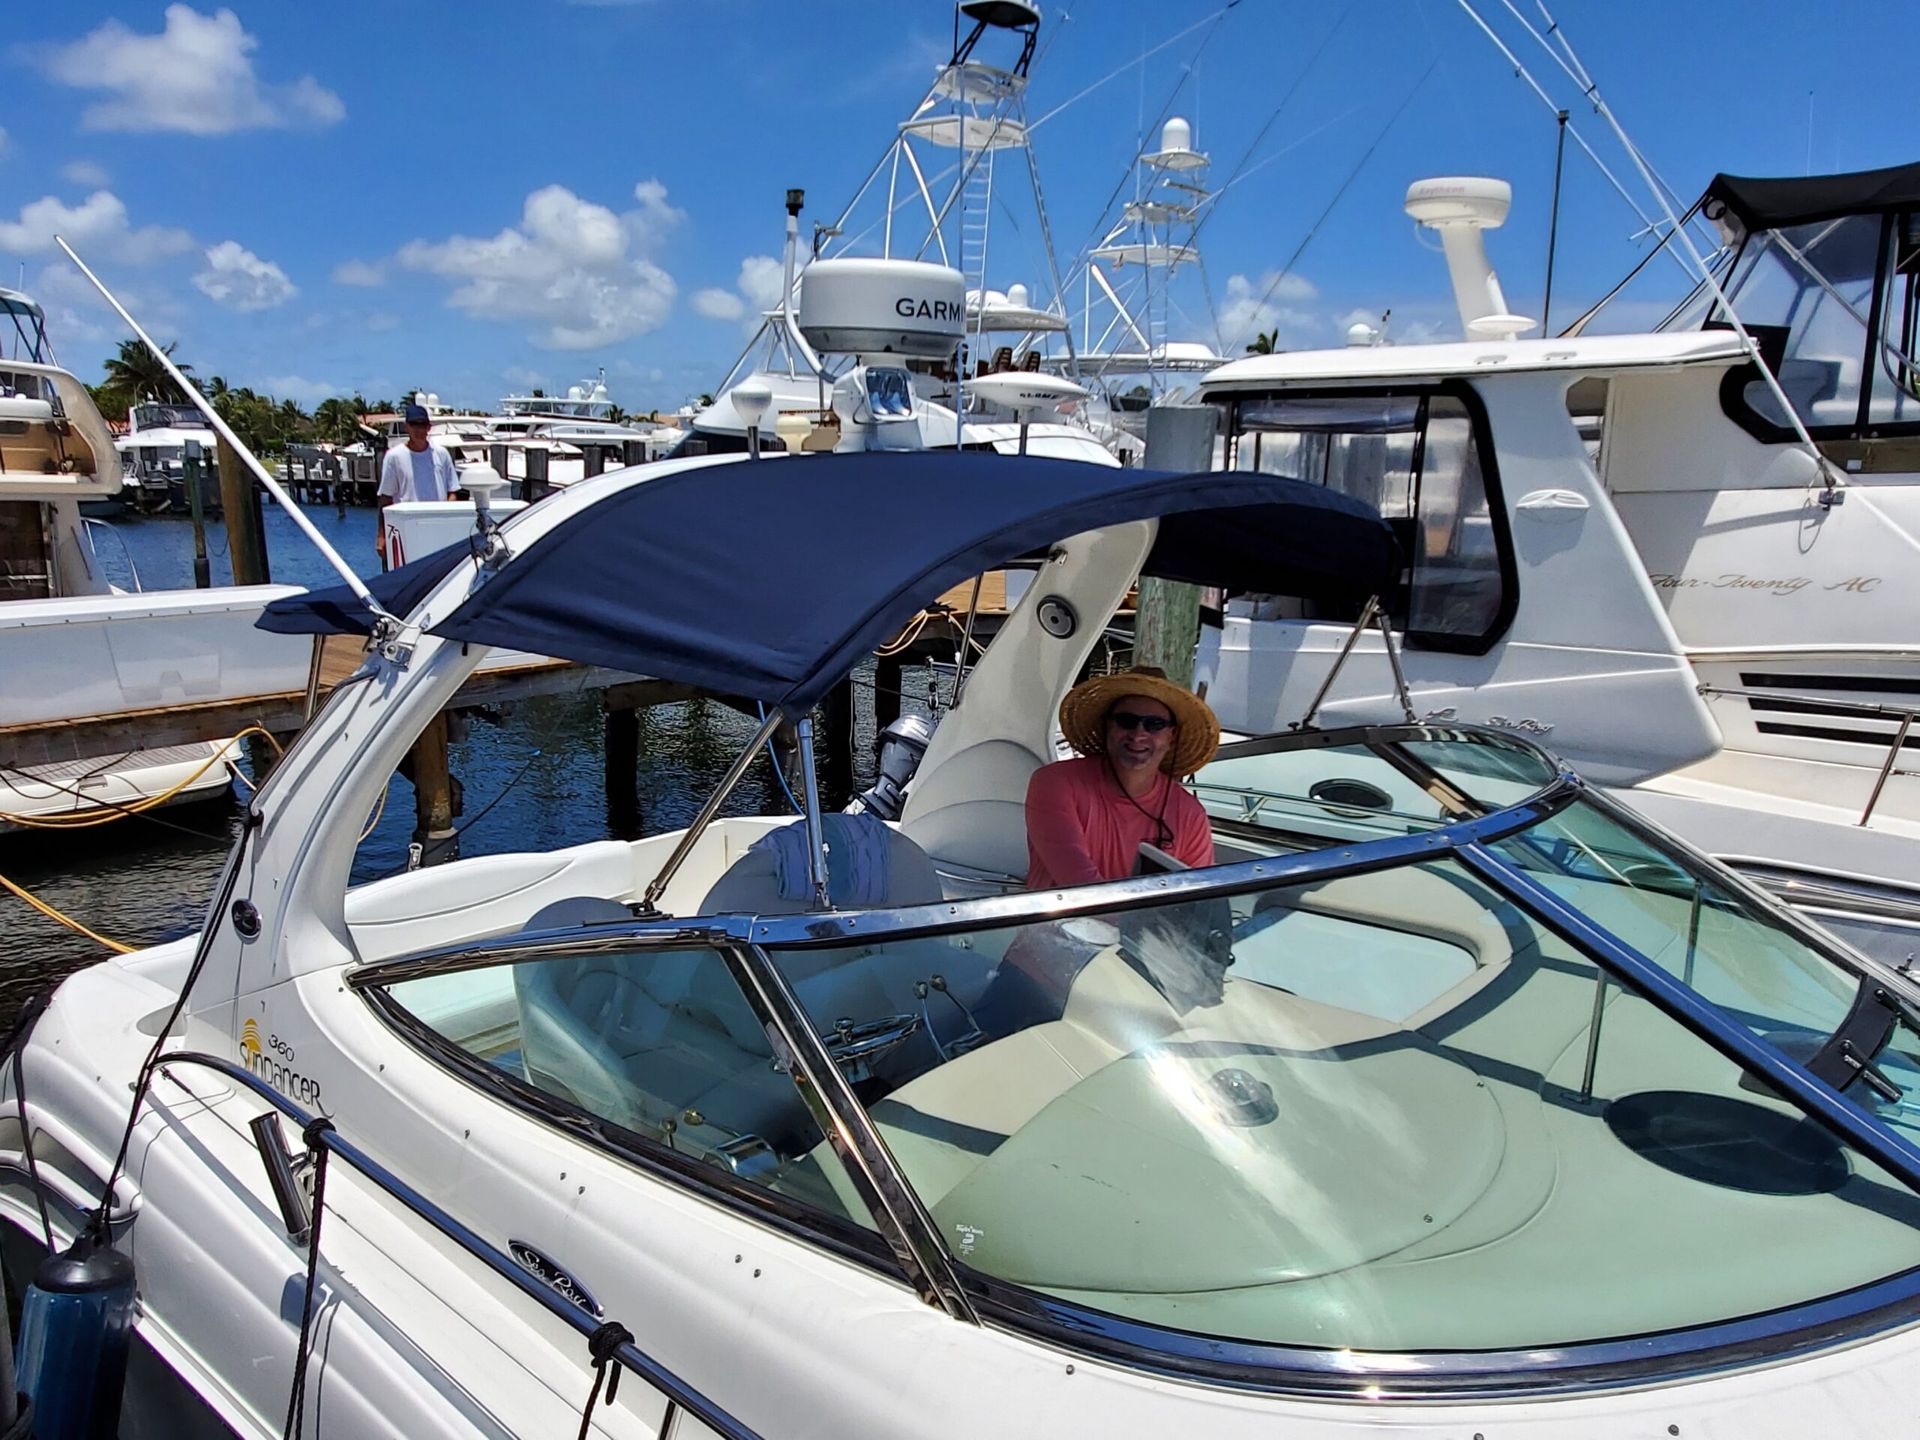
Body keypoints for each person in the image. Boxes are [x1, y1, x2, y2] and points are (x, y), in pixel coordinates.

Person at [1025, 666, 1220, 889]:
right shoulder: (1055, 783)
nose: (1138, 734)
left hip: (1144, 924)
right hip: (1059, 924)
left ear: (1171, 737)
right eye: (1126, 721)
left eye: (1154, 725)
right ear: (1108, 727)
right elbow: (1080, 888)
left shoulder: (1190, 815)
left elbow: (1196, 902)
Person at [376, 403, 461, 566]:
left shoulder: (442, 454)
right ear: (407, 427)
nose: (419, 429)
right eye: (414, 425)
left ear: (429, 427)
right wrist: (381, 536)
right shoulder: (394, 457)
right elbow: (385, 498)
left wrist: (447, 519)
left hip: (437, 529)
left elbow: (453, 491)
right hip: (407, 529)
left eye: (423, 425)